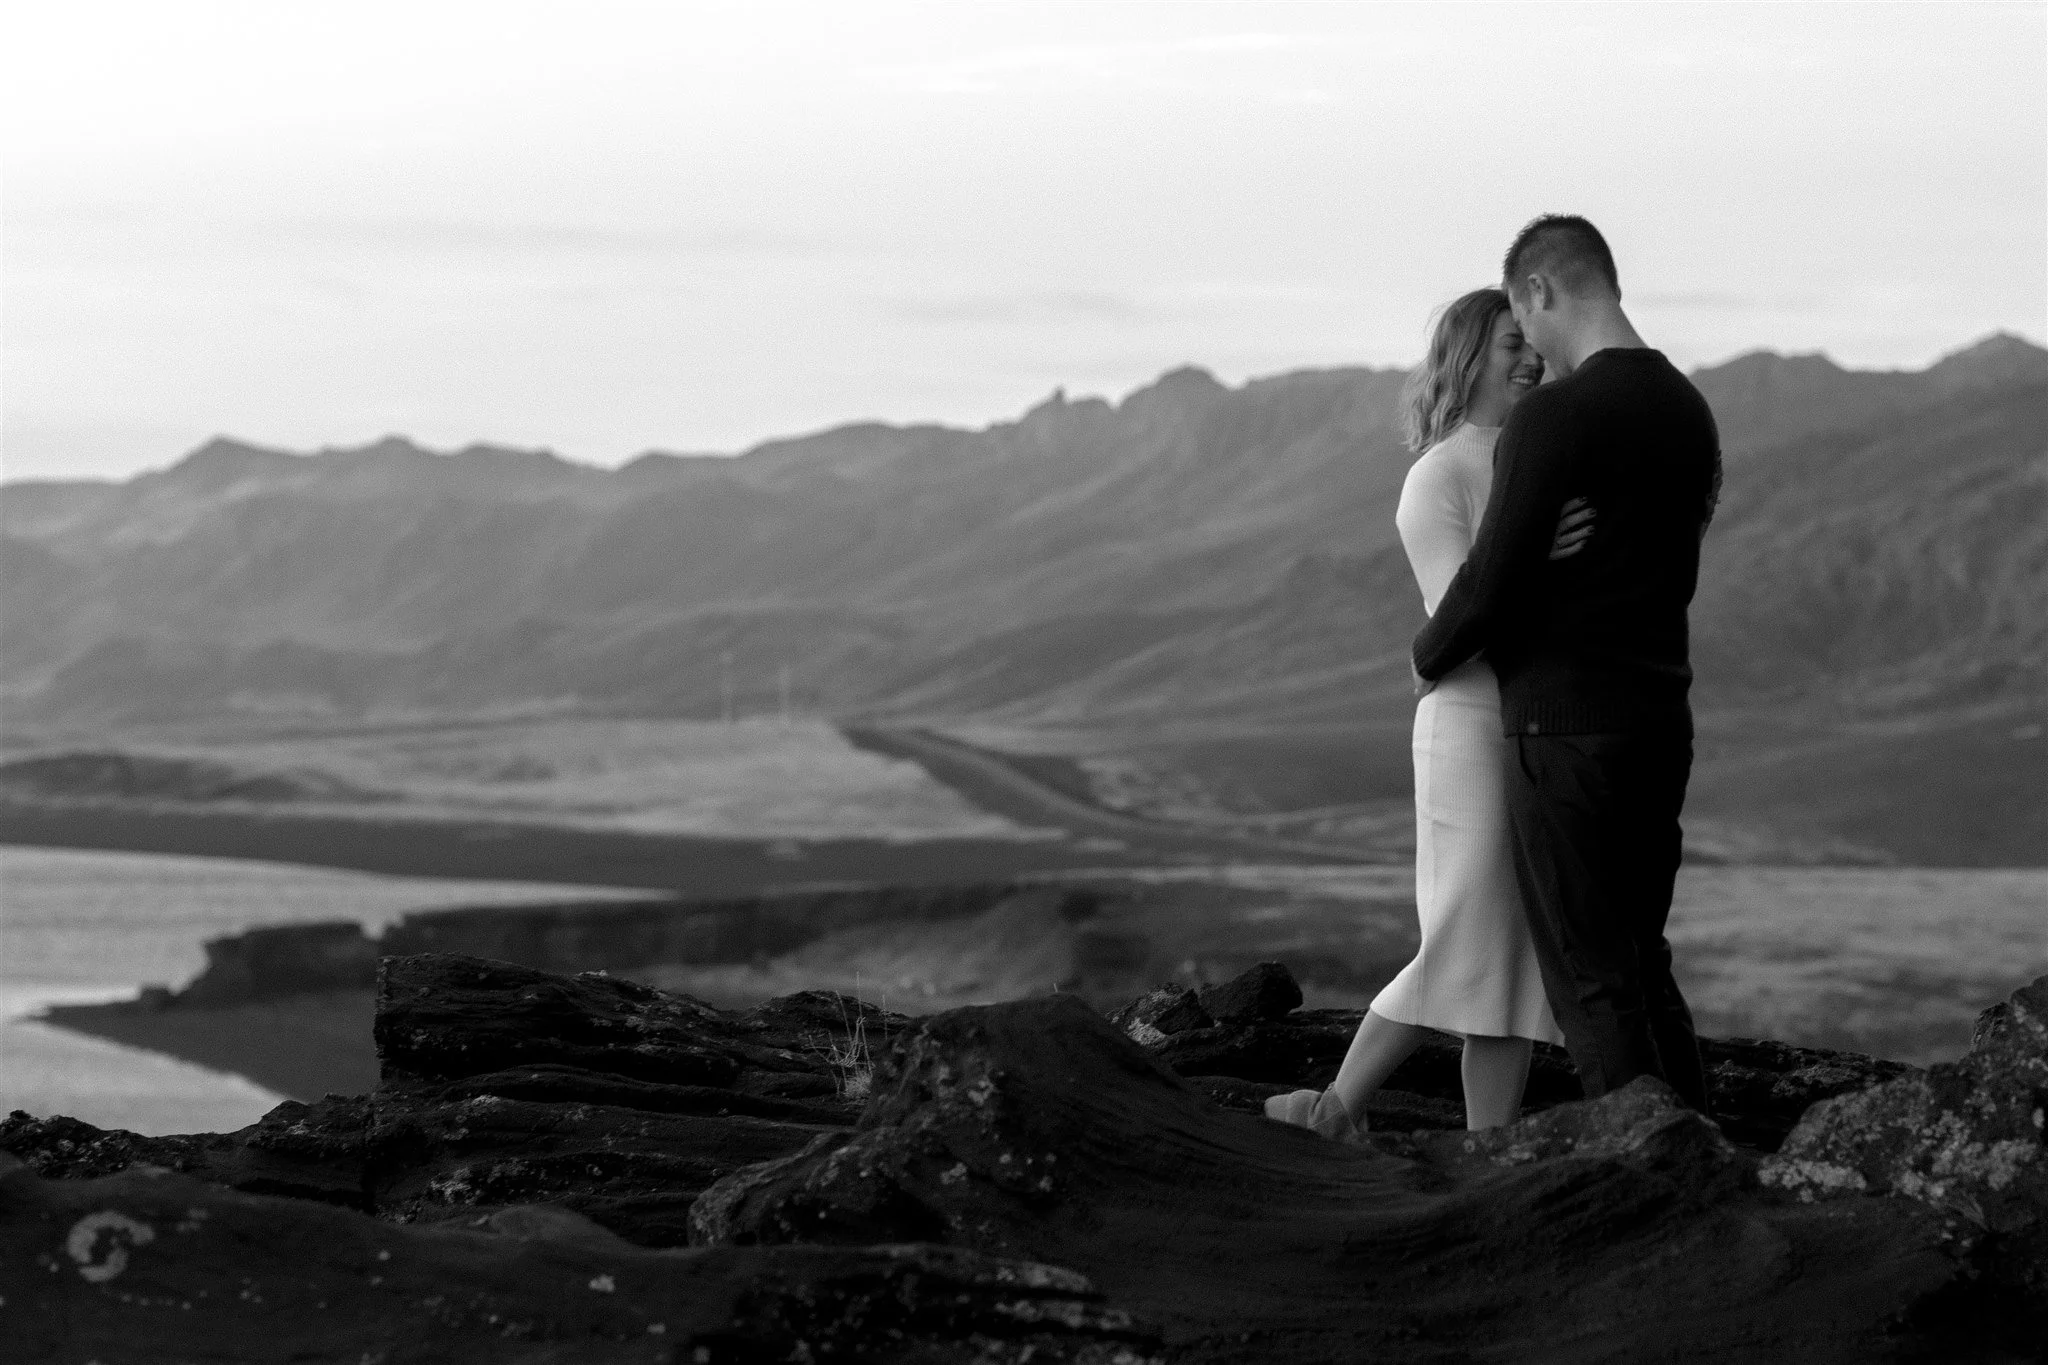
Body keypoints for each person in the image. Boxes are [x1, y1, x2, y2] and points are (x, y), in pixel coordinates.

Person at [1266, 286, 1590, 1140]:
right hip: (1470, 728)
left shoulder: (1541, 463)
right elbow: (1466, 624)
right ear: (1467, 357)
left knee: (1513, 955)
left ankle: (1488, 1146)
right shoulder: (1438, 478)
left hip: (1535, 724)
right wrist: (1538, 558)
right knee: (1462, 932)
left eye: (1534, 343)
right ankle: (1333, 1109)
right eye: (1510, 342)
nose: (1530, 357)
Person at [1413, 215, 1722, 1112]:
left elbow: (1489, 584)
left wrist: (1427, 653)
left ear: (1541, 291)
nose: (1534, 350)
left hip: (1563, 731)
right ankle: (1702, 1153)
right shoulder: (1687, 411)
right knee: (1642, 957)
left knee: (1591, 980)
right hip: (1663, 718)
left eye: (1523, 317)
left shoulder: (1555, 415)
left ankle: (1645, 1175)